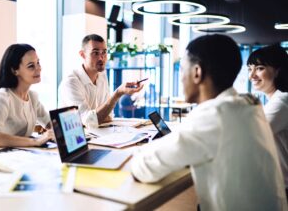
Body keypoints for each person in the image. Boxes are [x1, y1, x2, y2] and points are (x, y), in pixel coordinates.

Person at [131, 35, 287, 210]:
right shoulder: (248, 103)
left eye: (182, 69)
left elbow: (144, 169)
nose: (180, 77)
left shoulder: (214, 116)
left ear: (197, 72)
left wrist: (137, 151)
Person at [58, 34, 144, 127]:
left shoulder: (102, 75)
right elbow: (89, 121)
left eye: (104, 52)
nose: (101, 58)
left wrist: (96, 118)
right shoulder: (71, 82)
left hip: (97, 135)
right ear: (83, 55)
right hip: (75, 139)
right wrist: (117, 93)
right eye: (95, 53)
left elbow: (108, 116)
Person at [0, 44, 54, 147]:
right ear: (14, 70)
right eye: (31, 66)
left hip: (23, 155)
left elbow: (51, 123)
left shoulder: (33, 97)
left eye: (38, 63)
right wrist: (36, 141)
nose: (38, 68)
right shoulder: (3, 97)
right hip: (1, 157)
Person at [248, 44, 288, 199]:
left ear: (278, 70)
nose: (252, 75)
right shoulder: (274, 101)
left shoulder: (282, 101)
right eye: (249, 69)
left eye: (259, 68)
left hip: (283, 189)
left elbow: (251, 135)